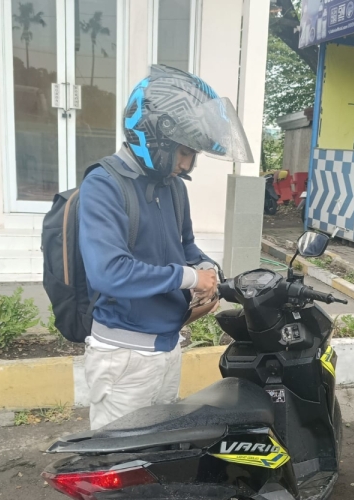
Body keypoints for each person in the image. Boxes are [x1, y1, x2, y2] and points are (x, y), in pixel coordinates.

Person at [79, 65, 254, 430]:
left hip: (168, 348)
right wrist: (190, 278)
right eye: (184, 152)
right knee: (116, 461)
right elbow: (109, 272)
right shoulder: (104, 185)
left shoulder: (173, 187)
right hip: (124, 356)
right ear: (155, 137)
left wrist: (207, 269)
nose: (187, 164)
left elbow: (186, 245)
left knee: (158, 456)